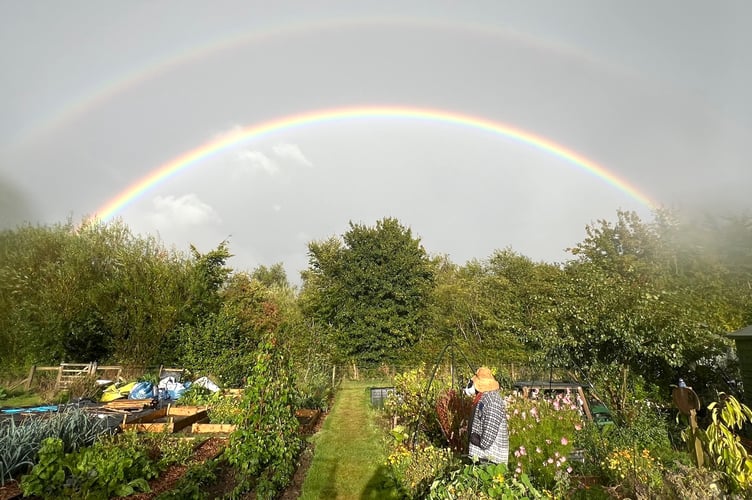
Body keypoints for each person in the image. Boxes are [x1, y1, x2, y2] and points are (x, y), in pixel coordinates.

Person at [464, 366, 509, 464]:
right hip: (481, 457)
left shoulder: (493, 401)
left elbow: (487, 440)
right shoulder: (484, 398)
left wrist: (475, 439)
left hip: (491, 460)